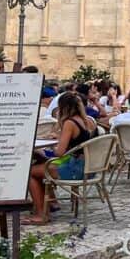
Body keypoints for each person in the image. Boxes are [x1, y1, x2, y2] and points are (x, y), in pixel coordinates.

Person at [26, 91, 97, 223]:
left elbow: (59, 153)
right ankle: (52, 203)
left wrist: (52, 146)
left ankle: (42, 214)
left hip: (74, 169)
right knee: (41, 162)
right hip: (88, 167)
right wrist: (60, 138)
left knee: (29, 172)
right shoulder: (86, 121)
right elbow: (78, 140)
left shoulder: (69, 123)